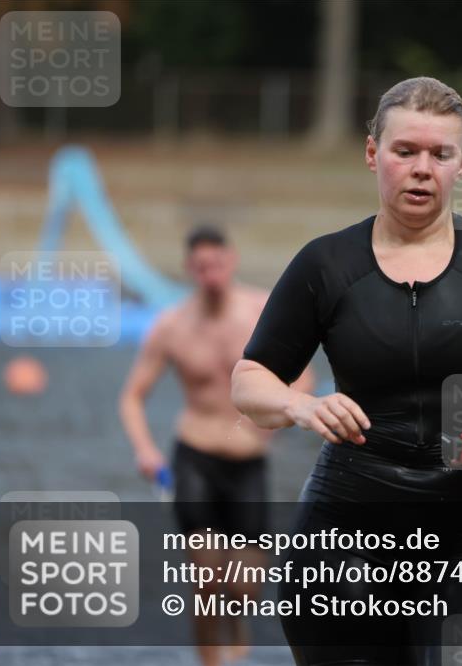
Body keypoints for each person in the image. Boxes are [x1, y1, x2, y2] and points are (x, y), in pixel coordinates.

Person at [231, 77, 462, 665]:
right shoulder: (325, 264)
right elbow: (249, 379)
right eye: (405, 151)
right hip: (344, 533)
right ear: (373, 154)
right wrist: (301, 406)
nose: (422, 169)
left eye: (440, 154)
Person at [118, 225, 315, 666]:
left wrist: (282, 413)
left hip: (248, 463)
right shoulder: (171, 326)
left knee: (244, 587)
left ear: (232, 261)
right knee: (206, 579)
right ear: (190, 269)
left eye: (217, 264)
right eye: (201, 267)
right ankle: (210, 661)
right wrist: (145, 449)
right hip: (195, 457)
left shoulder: (262, 311)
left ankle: (237, 619)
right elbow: (132, 396)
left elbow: (303, 376)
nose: (211, 275)